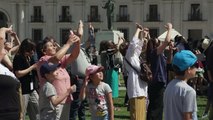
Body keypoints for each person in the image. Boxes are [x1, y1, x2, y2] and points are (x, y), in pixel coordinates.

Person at [37, 20, 82, 120]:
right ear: (44, 51)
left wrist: (78, 41)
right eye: (50, 45)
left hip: (65, 100)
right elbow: (56, 58)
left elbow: (74, 55)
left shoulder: (60, 60)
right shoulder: (43, 60)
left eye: (54, 45)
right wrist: (68, 43)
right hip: (54, 103)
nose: (54, 46)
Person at [146, 23, 172, 120]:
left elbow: (168, 61)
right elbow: (167, 41)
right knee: (156, 107)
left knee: (156, 106)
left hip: (157, 81)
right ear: (156, 45)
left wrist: (170, 51)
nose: (161, 43)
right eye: (159, 42)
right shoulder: (155, 52)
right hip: (157, 81)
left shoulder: (157, 54)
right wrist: (170, 29)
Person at [164, 50, 198, 120]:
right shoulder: (189, 91)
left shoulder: (169, 85)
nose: (197, 69)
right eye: (195, 65)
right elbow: (188, 118)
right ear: (188, 69)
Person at [0, 26, 23, 120]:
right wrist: (3, 30)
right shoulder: (5, 54)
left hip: (13, 111)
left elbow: (20, 46)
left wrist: (15, 37)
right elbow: (1, 39)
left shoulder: (7, 52)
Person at [124, 23, 147, 120]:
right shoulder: (129, 56)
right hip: (136, 88)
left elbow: (139, 46)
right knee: (136, 114)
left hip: (141, 89)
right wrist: (138, 30)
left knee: (141, 114)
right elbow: (133, 44)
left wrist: (143, 36)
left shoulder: (135, 57)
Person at [13, 38, 39, 120]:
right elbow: (18, 74)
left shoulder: (29, 57)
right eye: (31, 49)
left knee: (38, 110)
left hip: (32, 89)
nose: (32, 52)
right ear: (26, 48)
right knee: (22, 113)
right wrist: (31, 68)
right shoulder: (18, 57)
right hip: (23, 90)